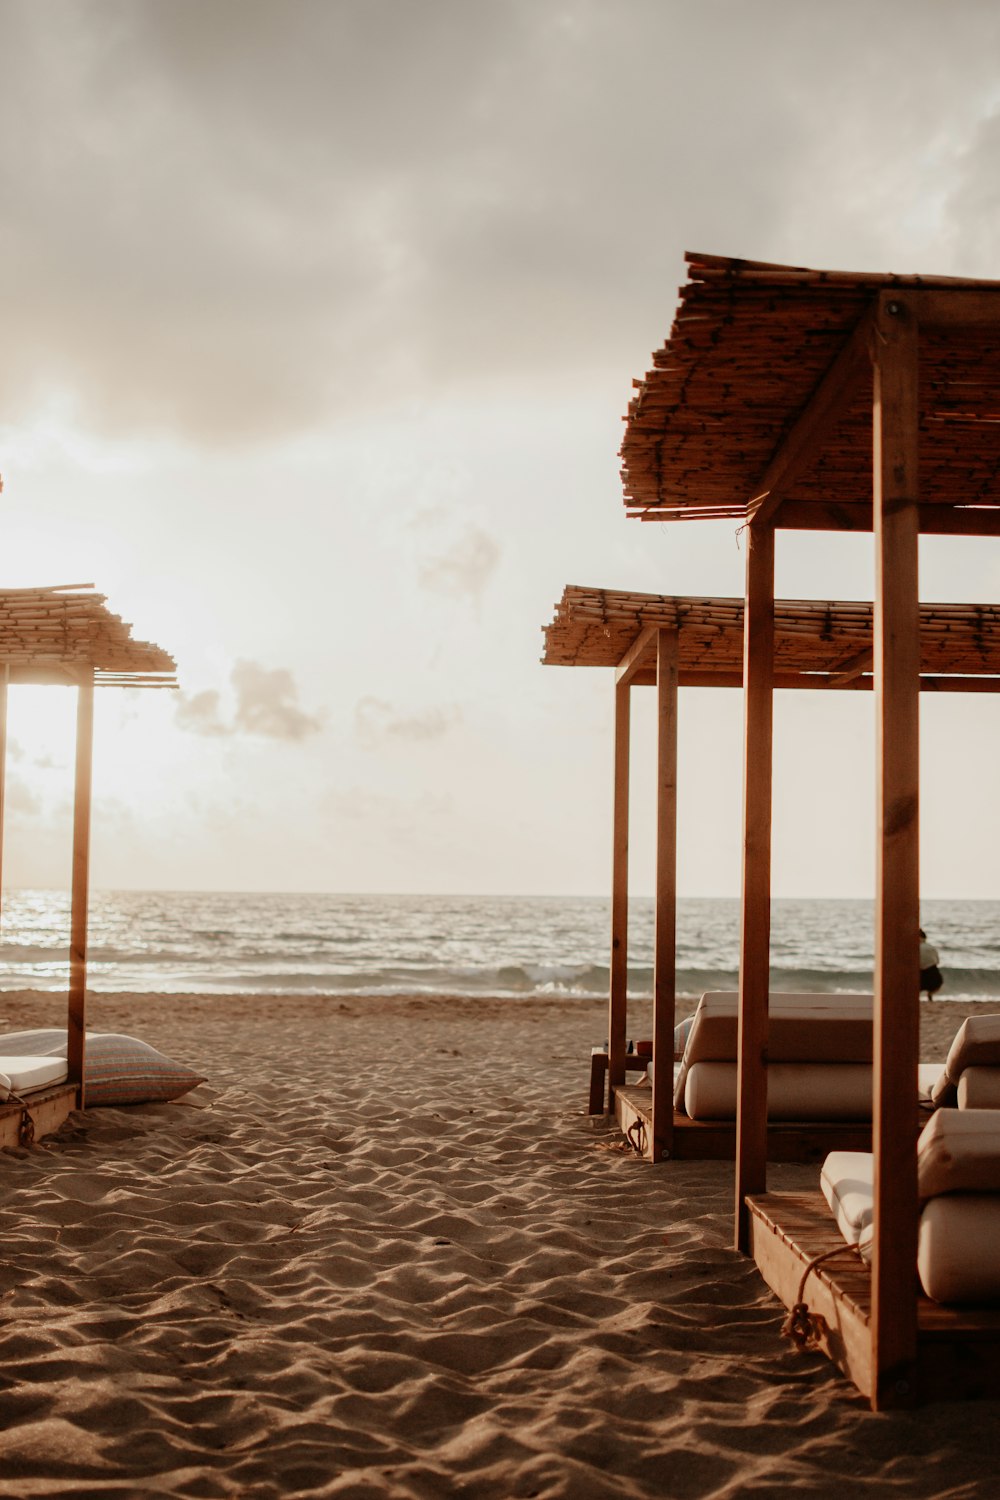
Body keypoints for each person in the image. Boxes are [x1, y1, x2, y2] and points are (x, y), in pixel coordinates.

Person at [919, 927, 944, 1000]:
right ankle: (930, 994)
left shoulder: (914, 947)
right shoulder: (931, 947)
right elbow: (937, 961)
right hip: (932, 970)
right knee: (937, 984)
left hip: (920, 971)